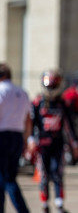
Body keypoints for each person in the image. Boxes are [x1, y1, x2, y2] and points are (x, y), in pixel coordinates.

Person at [30, 70, 78, 213]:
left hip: (58, 144)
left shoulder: (63, 103)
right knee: (44, 176)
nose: (51, 89)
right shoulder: (37, 102)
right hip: (42, 145)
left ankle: (59, 205)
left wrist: (75, 144)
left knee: (58, 174)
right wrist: (31, 141)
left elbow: (69, 125)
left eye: (53, 86)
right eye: (49, 86)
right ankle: (45, 205)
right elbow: (32, 124)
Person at [0, 64, 30, 213]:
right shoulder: (22, 92)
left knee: (4, 178)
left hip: (3, 135)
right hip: (17, 136)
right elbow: (28, 119)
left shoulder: (1, 90)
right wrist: (26, 140)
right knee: (9, 176)